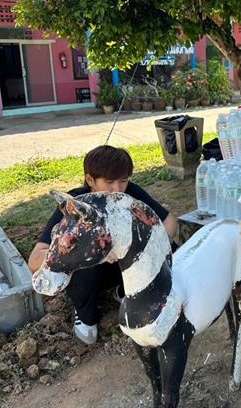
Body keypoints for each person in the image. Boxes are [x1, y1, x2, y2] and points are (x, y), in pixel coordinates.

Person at [28, 145, 179, 344]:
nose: (117, 189)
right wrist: (90, 253)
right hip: (91, 273)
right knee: (84, 265)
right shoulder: (75, 206)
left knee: (171, 251)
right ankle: (85, 314)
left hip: (124, 265)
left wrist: (142, 244)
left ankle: (126, 292)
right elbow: (34, 260)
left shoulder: (128, 196)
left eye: (123, 181)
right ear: (90, 180)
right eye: (109, 182)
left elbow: (169, 223)